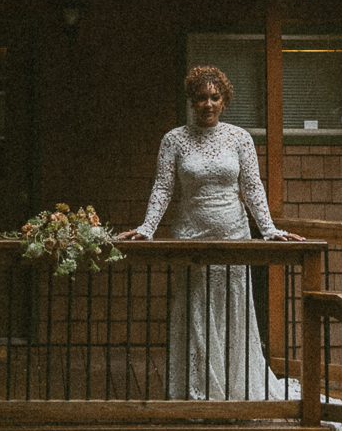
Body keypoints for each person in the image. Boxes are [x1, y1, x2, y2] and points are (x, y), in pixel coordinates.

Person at [118, 64, 304, 400]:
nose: (208, 104)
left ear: (224, 101)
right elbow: (163, 187)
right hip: (190, 236)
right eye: (201, 97)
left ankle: (236, 389)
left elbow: (252, 187)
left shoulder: (239, 138)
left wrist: (269, 230)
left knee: (233, 311)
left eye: (215, 97)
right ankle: (199, 391)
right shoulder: (173, 140)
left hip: (234, 235)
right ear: (191, 99)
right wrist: (147, 228)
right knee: (197, 312)